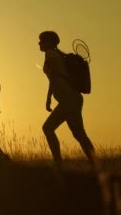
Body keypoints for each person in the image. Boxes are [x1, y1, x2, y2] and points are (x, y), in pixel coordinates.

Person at [39, 31, 95, 164]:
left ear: (49, 42)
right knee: (79, 134)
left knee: (47, 128)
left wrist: (48, 98)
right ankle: (96, 164)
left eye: (42, 40)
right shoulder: (57, 54)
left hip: (68, 100)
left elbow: (53, 78)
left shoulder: (51, 55)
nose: (39, 43)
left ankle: (58, 164)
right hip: (73, 98)